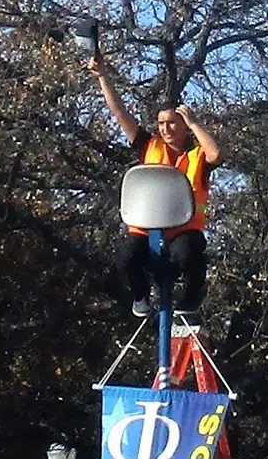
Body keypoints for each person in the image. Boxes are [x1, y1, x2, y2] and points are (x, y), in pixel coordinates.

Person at [87, 53, 223, 318]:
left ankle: (191, 298)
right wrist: (103, 76)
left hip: (184, 231)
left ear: (183, 126)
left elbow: (216, 154)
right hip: (147, 227)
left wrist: (195, 123)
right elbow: (119, 113)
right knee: (126, 256)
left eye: (172, 122)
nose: (166, 128)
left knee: (188, 255)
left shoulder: (197, 155)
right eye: (161, 123)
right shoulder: (148, 146)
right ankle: (140, 296)